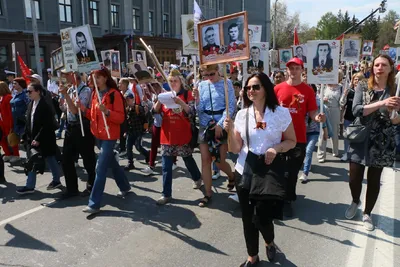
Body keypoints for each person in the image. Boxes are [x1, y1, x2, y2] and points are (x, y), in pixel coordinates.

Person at [224, 72, 296, 264]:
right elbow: (235, 148)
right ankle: (252, 256)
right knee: (248, 218)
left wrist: (276, 148)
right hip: (244, 171)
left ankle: (269, 241)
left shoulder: (281, 113)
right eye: (248, 88)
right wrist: (230, 132)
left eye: (256, 87)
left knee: (262, 217)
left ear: (266, 88)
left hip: (268, 172)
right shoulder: (241, 115)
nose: (251, 91)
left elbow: (292, 141)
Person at [345, 54, 400, 231]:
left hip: (382, 141)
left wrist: (394, 112)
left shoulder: (396, 90)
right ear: (372, 68)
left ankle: (367, 213)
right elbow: (357, 111)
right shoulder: (363, 86)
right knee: (354, 177)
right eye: (376, 65)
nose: (379, 68)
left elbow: (396, 121)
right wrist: (382, 102)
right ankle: (355, 200)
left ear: (390, 68)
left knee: (374, 179)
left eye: (384, 65)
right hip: (361, 137)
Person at [274, 58, 325, 217]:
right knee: (279, 171)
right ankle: (279, 197)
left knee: (292, 171)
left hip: (299, 138)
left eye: (297, 68)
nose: (293, 71)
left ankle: (288, 200)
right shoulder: (277, 89)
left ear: (302, 70)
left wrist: (318, 117)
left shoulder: (308, 90)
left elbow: (312, 113)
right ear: (287, 70)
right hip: (279, 137)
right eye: (291, 68)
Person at [80, 68, 131, 214]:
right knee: (112, 163)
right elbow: (93, 116)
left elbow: (120, 118)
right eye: (94, 77)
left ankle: (94, 203)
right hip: (98, 135)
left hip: (110, 136)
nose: (95, 80)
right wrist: (83, 109)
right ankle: (125, 186)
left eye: (98, 77)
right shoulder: (95, 93)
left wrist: (107, 112)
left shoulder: (114, 94)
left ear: (105, 78)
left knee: (100, 169)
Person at [152, 69, 202, 205]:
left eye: (175, 81)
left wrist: (180, 102)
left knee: (187, 159)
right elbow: (154, 112)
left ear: (181, 81)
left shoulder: (187, 95)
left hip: (183, 134)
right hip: (167, 134)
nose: (173, 83)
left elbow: (191, 113)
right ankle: (166, 194)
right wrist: (159, 100)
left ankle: (197, 178)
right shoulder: (165, 94)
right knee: (166, 166)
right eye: (171, 81)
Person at [193, 64, 236, 207]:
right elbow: (198, 110)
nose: (209, 77)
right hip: (205, 125)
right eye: (206, 75)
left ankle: (231, 176)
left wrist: (220, 124)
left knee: (219, 160)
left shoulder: (226, 83)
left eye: (212, 74)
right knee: (205, 160)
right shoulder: (201, 85)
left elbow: (231, 105)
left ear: (218, 71)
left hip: (221, 123)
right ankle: (207, 193)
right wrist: (197, 100)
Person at [16, 83, 62, 194]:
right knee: (32, 160)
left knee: (50, 159)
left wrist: (38, 138)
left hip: (45, 138)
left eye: (30, 91)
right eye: (27, 91)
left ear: (38, 92)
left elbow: (46, 125)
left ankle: (56, 180)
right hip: (32, 139)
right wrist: (24, 136)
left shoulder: (45, 105)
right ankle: (30, 186)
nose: (28, 93)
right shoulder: (31, 104)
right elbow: (29, 122)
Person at [58, 72, 96, 198]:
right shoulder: (70, 89)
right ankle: (72, 189)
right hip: (70, 127)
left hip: (82, 127)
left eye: (66, 76)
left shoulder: (85, 90)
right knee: (66, 159)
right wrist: (62, 101)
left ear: (74, 76)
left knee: (87, 159)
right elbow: (66, 109)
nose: (64, 79)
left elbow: (76, 111)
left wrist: (66, 97)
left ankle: (92, 185)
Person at [317, 71, 343, 162]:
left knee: (335, 132)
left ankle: (335, 151)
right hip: (324, 109)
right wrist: (322, 100)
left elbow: (342, 102)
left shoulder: (340, 88)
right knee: (323, 132)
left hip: (335, 110)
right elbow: (318, 98)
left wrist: (345, 94)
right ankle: (321, 155)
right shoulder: (324, 86)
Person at [340, 72, 364, 162]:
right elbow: (342, 103)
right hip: (348, 118)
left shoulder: (364, 92)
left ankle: (357, 154)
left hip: (359, 119)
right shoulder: (349, 91)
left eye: (359, 79)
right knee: (347, 137)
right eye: (355, 79)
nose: (356, 81)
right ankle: (346, 153)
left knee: (358, 138)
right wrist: (344, 95)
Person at [10, 78, 29, 162]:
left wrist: (25, 116)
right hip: (16, 121)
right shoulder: (16, 94)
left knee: (26, 140)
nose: (13, 85)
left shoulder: (25, 94)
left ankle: (31, 158)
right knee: (21, 140)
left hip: (23, 121)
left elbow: (29, 105)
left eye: (15, 83)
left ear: (20, 84)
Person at [0, 82, 20, 163]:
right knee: (2, 139)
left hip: (8, 123)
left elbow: (10, 113)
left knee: (12, 139)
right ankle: (7, 154)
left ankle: (16, 155)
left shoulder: (8, 97)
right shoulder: (1, 98)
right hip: (1, 122)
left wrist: (11, 124)